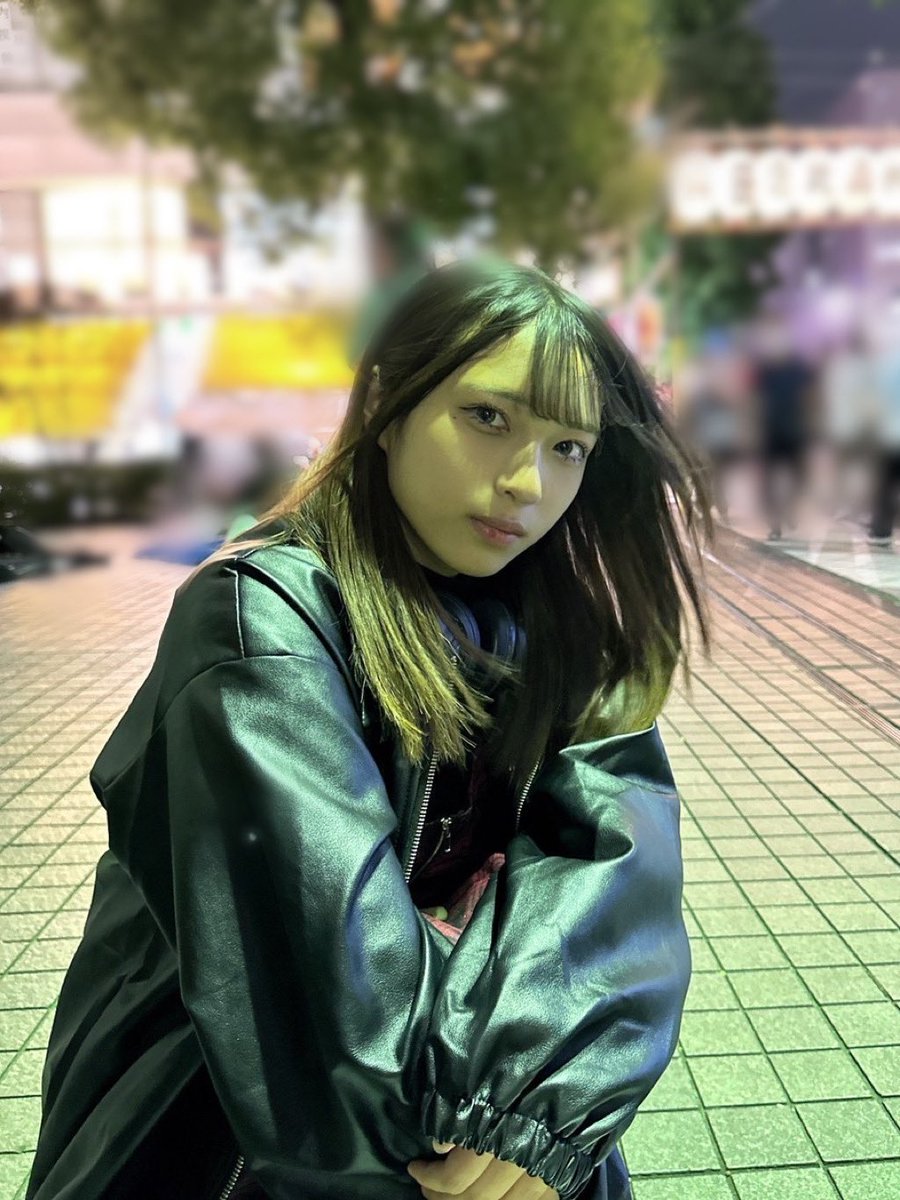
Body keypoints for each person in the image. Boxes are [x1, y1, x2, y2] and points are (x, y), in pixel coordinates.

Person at [25, 257, 714, 1200]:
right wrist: (510, 1086)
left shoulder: (558, 630)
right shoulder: (261, 618)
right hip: (222, 1132)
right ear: (389, 404)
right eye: (488, 417)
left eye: (568, 447)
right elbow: (335, 1006)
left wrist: (533, 1112)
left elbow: (618, 892)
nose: (527, 481)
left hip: (477, 1139)